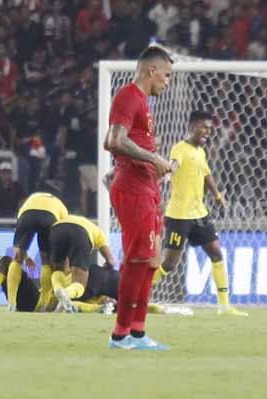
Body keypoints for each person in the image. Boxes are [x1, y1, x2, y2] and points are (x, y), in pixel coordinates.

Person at [103, 46, 174, 351]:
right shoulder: (128, 96)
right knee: (137, 260)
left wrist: (156, 165)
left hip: (146, 186)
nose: (167, 82)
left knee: (152, 261)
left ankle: (138, 332)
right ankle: (120, 335)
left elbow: (132, 143)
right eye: (166, 75)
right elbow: (113, 141)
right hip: (133, 188)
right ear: (151, 71)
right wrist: (153, 158)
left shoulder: (142, 102)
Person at [152, 110, 247, 316]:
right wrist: (168, 173)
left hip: (200, 214)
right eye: (205, 127)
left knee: (216, 252)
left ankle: (224, 306)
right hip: (179, 216)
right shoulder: (180, 148)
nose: (208, 132)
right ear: (193, 125)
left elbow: (206, 174)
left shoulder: (201, 151)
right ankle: (138, 295)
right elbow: (174, 165)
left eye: (210, 128)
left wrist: (218, 196)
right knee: (169, 264)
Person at [0, 255, 192, 316]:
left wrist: (103, 305)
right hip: (41, 299)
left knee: (6, 261)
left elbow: (90, 304)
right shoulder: (69, 277)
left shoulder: (91, 291)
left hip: (35, 305)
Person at [7, 192, 68, 312]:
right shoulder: (61, 206)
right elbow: (63, 229)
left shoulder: (29, 201)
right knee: (47, 262)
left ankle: (11, 303)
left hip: (27, 216)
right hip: (49, 218)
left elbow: (17, 246)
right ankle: (43, 304)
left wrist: (26, 257)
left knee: (17, 258)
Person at [48, 214, 116, 313]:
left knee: (58, 270)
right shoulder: (98, 233)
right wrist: (107, 265)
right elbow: (111, 261)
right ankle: (65, 293)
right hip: (81, 233)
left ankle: (58, 290)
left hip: (57, 228)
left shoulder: (69, 219)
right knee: (79, 285)